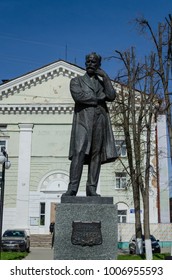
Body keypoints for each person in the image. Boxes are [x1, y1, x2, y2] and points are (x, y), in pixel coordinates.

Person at [62, 52, 118, 197]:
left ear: (98, 65)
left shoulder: (102, 83)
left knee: (96, 155)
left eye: (93, 62)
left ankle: (91, 188)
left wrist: (105, 77)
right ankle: (72, 188)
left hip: (99, 120)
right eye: (88, 61)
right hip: (83, 121)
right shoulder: (77, 81)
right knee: (79, 152)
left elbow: (111, 96)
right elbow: (79, 96)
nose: (90, 64)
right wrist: (98, 98)